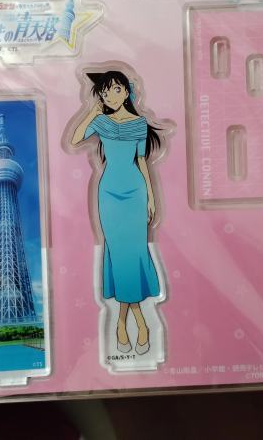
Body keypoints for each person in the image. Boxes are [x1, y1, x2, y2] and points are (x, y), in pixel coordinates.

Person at [71, 69, 163, 355]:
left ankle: (122, 323)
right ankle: (140, 322)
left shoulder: (139, 123)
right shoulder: (101, 122)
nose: (110, 95)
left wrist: (151, 197)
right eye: (105, 91)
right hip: (109, 193)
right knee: (118, 253)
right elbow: (75, 139)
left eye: (116, 89)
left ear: (126, 92)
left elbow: (142, 162)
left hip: (135, 192)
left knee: (133, 253)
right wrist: (91, 112)